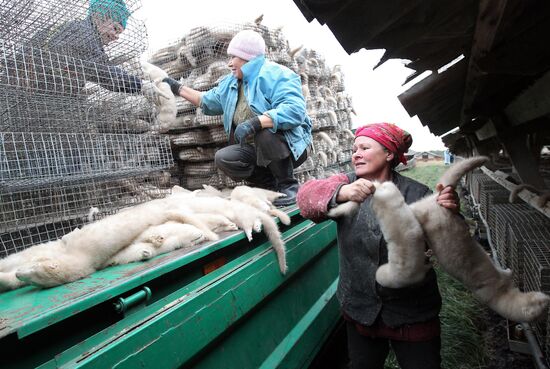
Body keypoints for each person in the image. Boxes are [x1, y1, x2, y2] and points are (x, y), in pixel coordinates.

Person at [296, 123, 460, 369]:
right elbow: (306, 198)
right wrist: (341, 193)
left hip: (411, 311)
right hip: (361, 308)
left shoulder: (416, 193)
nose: (356, 154)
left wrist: (451, 214)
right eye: (354, 149)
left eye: (365, 147)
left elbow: (450, 247)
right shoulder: (346, 184)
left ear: (389, 154)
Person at [162, 29, 312, 206]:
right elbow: (205, 101)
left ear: (248, 58)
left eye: (233, 57)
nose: (229, 63)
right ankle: (270, 187)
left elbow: (295, 110)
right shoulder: (231, 83)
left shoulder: (277, 74)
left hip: (290, 147)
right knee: (224, 157)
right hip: (257, 151)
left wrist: (256, 122)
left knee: (265, 132)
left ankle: (288, 186)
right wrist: (176, 87)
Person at [27, 0, 157, 97]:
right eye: (115, 29)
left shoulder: (81, 31)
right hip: (27, 90)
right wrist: (139, 85)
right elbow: (102, 71)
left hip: (36, 91)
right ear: (98, 17)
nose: (116, 37)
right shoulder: (83, 33)